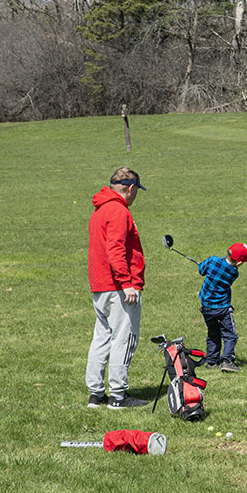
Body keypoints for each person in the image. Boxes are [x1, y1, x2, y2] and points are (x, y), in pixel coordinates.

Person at [85, 167, 148, 409]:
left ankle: (96, 394)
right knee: (123, 338)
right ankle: (119, 396)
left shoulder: (99, 210)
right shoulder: (119, 211)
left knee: (101, 338)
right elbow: (116, 250)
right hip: (118, 287)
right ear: (131, 188)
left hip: (100, 286)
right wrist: (127, 283)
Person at [198, 243, 247, 372]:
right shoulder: (234, 272)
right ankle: (226, 360)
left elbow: (201, 270)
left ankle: (211, 362)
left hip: (206, 307)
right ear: (239, 263)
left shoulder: (213, 261)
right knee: (231, 336)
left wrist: (203, 265)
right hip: (223, 308)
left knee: (213, 333)